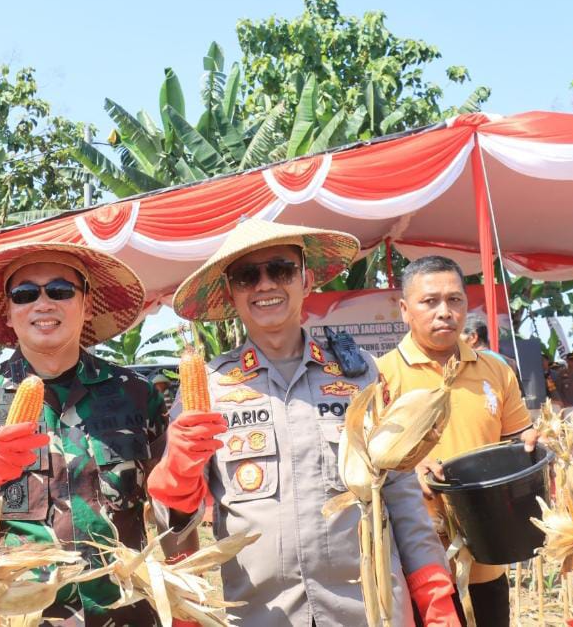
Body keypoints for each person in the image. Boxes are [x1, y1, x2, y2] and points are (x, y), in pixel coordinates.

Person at [150, 219, 457, 626]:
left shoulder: (358, 373)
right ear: (231, 293)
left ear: (306, 280)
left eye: (280, 270)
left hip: (367, 608)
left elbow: (399, 491)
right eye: (247, 276)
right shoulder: (209, 388)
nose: (265, 285)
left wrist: (435, 598)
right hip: (260, 614)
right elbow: (173, 520)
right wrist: (176, 477)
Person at [0, 242, 165, 625]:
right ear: (10, 312)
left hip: (125, 614)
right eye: (25, 294)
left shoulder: (137, 395)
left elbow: (175, 515)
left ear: (86, 305)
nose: (43, 303)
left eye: (61, 290)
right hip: (21, 616)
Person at [376, 255, 537, 627]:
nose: (444, 312)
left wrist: (530, 446)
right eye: (429, 301)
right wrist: (408, 471)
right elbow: (365, 467)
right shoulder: (380, 376)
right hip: (418, 568)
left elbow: (515, 441)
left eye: (454, 300)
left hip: (487, 557)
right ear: (404, 309)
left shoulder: (495, 370)